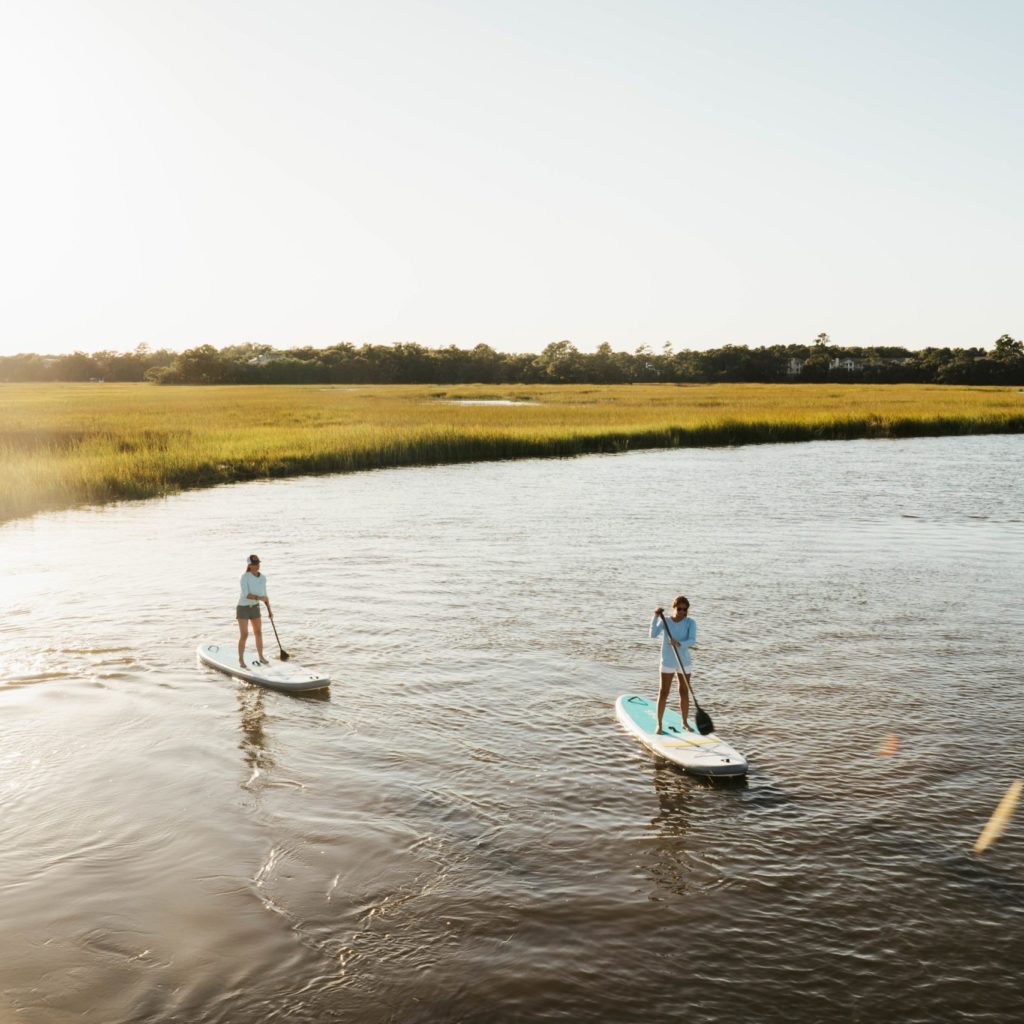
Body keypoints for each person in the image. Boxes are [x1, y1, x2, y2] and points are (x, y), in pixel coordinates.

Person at [650, 596, 697, 735]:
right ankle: (659, 724)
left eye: (685, 609)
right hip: (668, 661)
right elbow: (652, 634)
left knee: (684, 692)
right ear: (674, 608)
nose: (682, 612)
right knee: (663, 692)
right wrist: (656, 616)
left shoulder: (690, 622)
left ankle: (684, 723)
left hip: (684, 662)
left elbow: (692, 640)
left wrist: (680, 643)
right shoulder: (666, 621)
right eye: (679, 609)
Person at [237, 554, 273, 668]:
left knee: (258, 633)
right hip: (243, 608)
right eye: (254, 564)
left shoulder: (263, 578)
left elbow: (265, 595)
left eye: (258, 563)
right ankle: (241, 660)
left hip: (255, 608)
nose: (257, 566)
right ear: (249, 565)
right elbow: (246, 594)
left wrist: (270, 611)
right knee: (244, 634)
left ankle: (261, 657)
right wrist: (260, 598)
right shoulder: (244, 577)